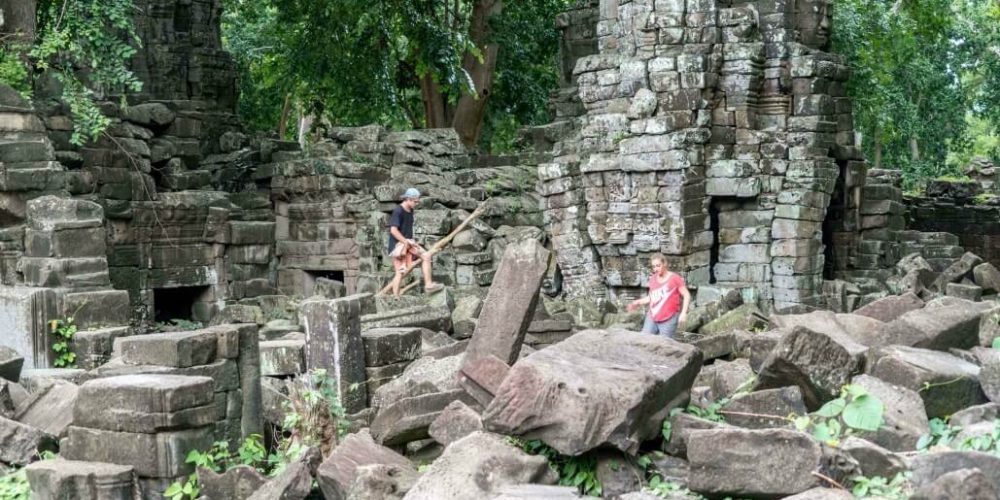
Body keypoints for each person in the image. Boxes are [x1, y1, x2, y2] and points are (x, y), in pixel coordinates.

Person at [388, 188, 443, 295]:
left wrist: (412, 242)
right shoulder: (398, 211)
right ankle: (395, 297)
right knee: (400, 272)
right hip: (397, 246)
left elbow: (407, 230)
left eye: (418, 201)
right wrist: (405, 242)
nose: (417, 203)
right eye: (415, 201)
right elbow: (393, 231)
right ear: (408, 199)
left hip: (409, 243)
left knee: (426, 256)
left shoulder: (411, 210)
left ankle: (428, 285)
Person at [626, 253, 691, 337]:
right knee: (644, 340)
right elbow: (652, 297)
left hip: (669, 319)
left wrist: (683, 313)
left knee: (666, 346)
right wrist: (637, 302)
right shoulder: (653, 279)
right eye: (653, 266)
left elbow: (686, 295)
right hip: (652, 317)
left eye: (658, 265)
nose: (656, 269)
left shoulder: (675, 278)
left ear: (665, 264)